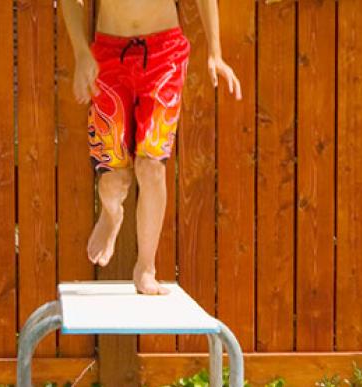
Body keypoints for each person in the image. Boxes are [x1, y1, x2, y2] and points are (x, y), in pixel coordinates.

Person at [60, 0, 242, 295]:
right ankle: (111, 213)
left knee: (151, 166)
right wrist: (81, 53)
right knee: (112, 177)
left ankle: (146, 267)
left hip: (164, 55)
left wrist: (216, 53)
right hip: (107, 55)